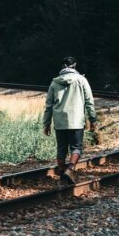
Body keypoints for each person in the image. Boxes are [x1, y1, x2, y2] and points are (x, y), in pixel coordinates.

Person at [42, 56, 97, 185]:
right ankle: (70, 169)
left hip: (60, 121)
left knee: (61, 149)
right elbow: (89, 102)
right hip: (76, 121)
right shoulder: (82, 80)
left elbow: (48, 105)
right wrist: (93, 119)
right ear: (75, 66)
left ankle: (62, 174)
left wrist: (46, 123)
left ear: (62, 67)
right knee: (76, 148)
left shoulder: (55, 82)